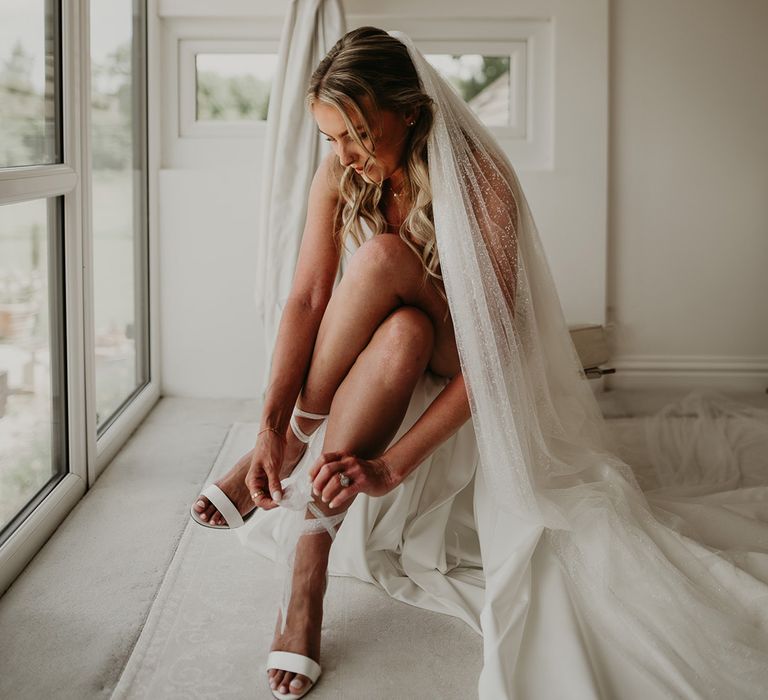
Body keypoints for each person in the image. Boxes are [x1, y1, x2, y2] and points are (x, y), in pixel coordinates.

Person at [191, 26, 768, 700]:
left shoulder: (480, 179)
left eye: (356, 134)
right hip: (399, 348)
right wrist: (266, 421)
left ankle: (298, 449)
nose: (343, 155)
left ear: (408, 111)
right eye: (329, 137)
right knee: (401, 330)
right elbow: (309, 295)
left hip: (469, 356)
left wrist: (394, 463)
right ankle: (309, 552)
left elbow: (497, 356)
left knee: (381, 261)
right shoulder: (342, 166)